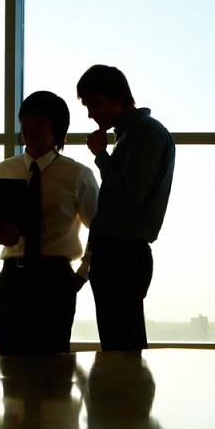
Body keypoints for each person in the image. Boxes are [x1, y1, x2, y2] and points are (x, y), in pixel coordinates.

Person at [0, 91, 98, 355]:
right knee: (11, 365)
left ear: (57, 129)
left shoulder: (77, 175)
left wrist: (82, 275)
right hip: (13, 276)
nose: (30, 127)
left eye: (39, 121)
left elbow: (100, 230)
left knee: (54, 368)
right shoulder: (4, 171)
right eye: (26, 119)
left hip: (55, 279)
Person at [76, 65, 175, 351]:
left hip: (122, 255)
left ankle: (126, 396)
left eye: (95, 103)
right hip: (120, 253)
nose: (91, 113)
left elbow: (131, 196)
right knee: (120, 343)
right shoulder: (132, 134)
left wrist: (101, 156)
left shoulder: (143, 133)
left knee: (122, 346)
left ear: (119, 97)